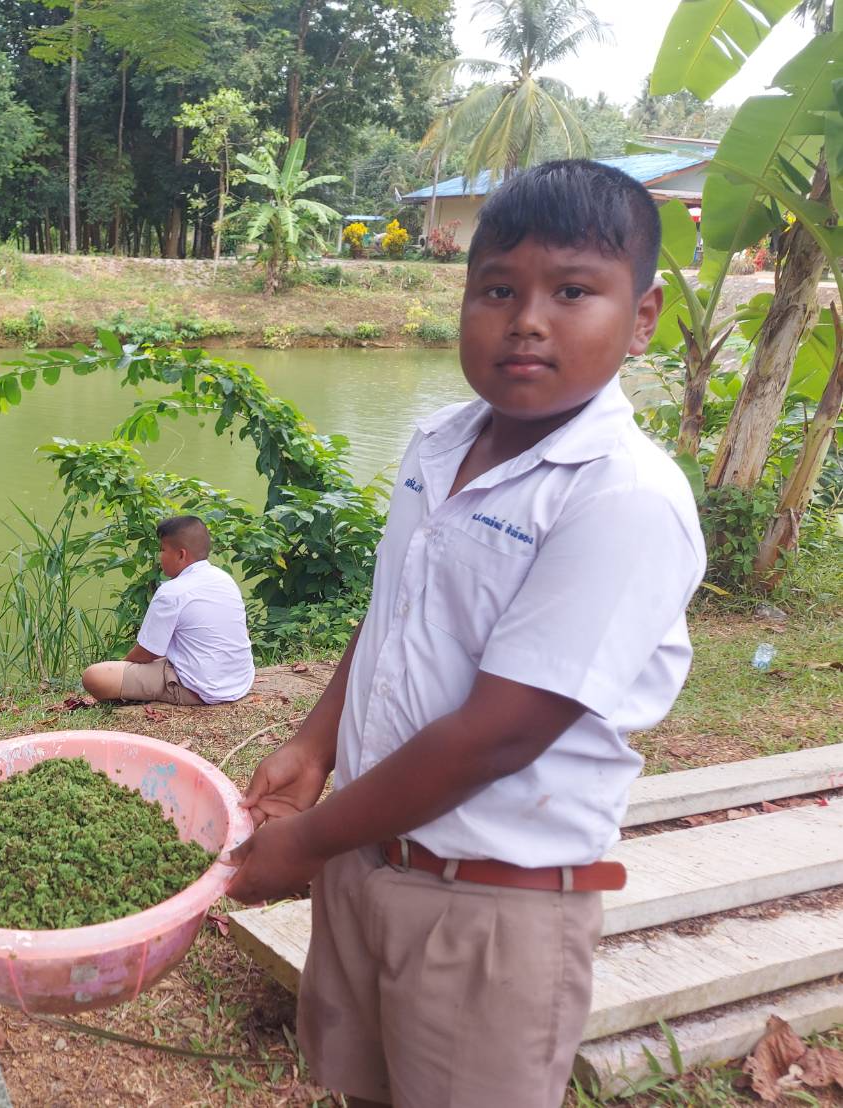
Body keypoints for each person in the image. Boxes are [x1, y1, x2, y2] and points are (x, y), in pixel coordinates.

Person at [224, 160, 705, 1108]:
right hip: (368, 857)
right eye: (497, 289)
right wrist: (316, 739)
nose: (526, 319)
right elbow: (399, 602)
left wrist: (306, 843)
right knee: (358, 1087)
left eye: (572, 291)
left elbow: (500, 733)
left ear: (641, 317)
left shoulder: (621, 498)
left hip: (490, 904)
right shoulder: (439, 442)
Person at [81, 515, 255, 706]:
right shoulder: (224, 579)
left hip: (201, 687)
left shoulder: (172, 592)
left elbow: (147, 654)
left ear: (181, 555)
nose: (159, 556)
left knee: (95, 676)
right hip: (240, 681)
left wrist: (123, 667)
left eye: (162, 550)